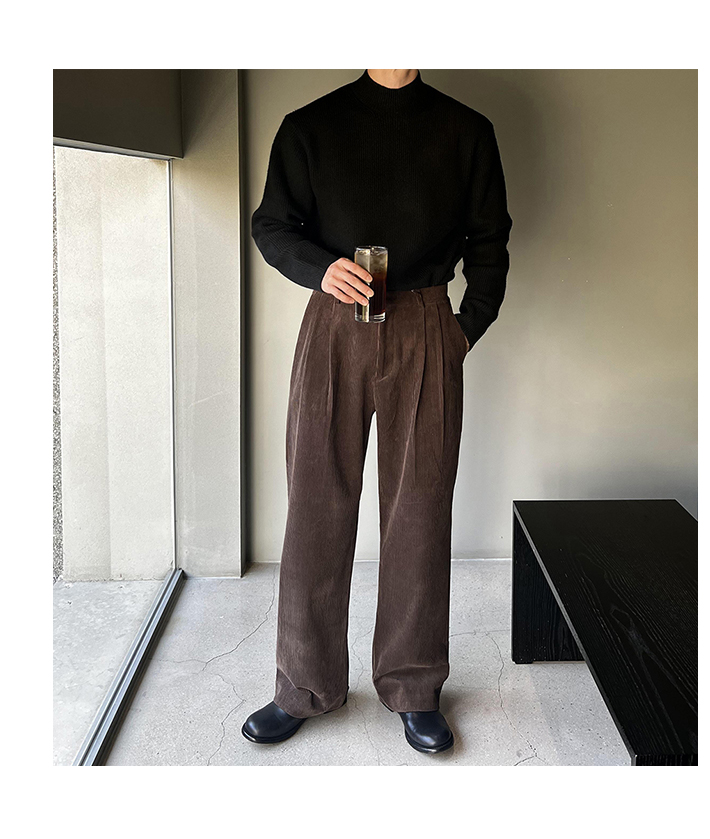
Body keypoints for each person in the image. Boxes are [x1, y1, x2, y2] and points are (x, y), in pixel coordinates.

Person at [243, 69, 512, 755]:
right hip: (334, 323)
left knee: (419, 507)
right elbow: (271, 224)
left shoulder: (466, 131)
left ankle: (413, 686)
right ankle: (303, 685)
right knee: (315, 502)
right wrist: (320, 267)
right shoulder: (311, 126)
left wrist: (462, 329)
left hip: (426, 323)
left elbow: (490, 240)